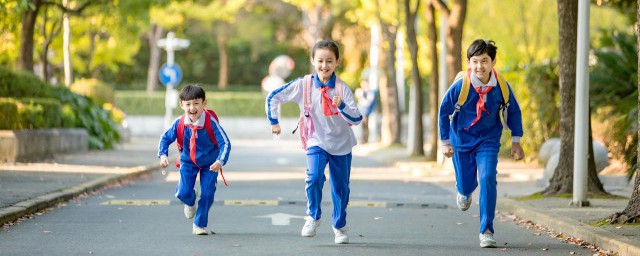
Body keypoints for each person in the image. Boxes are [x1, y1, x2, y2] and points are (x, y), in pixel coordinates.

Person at [265, 40, 362, 244]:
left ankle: (339, 226)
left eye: (329, 61)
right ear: (312, 61)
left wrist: (342, 106)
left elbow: (356, 118)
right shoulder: (304, 84)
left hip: (341, 144)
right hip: (316, 140)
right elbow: (274, 97)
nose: (324, 66)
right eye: (320, 60)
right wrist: (274, 121)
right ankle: (313, 216)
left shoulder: (342, 88)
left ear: (337, 62)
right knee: (314, 177)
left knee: (340, 188)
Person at [438, 39, 524, 248]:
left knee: (487, 178)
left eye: (484, 61)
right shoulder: (461, 85)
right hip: (461, 140)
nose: (479, 66)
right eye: (475, 61)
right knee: (467, 184)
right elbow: (443, 111)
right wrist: (445, 142)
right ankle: (464, 191)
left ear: (493, 62)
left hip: (488, 140)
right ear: (469, 62)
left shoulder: (501, 86)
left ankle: (486, 230)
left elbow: (514, 112)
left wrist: (516, 141)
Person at [158, 84, 231, 235]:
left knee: (208, 193)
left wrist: (220, 161)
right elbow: (165, 138)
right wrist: (163, 155)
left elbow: (225, 143)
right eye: (188, 104)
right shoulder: (180, 123)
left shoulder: (211, 122)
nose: (192, 107)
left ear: (204, 103)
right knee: (183, 193)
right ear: (181, 105)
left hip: (210, 164)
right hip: (188, 162)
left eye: (196, 103)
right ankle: (190, 201)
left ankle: (199, 224)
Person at [354, 76, 377, 144]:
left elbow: (368, 103)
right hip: (361, 111)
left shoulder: (370, 93)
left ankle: (365, 139)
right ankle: (364, 139)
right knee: (363, 125)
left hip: (367, 112)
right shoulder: (362, 91)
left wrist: (361, 97)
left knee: (365, 125)